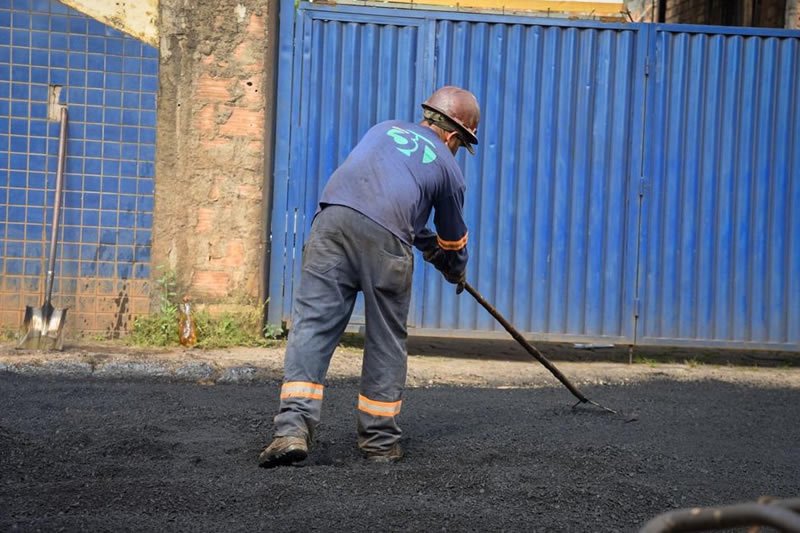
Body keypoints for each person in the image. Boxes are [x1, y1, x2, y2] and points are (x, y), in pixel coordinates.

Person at [258, 86, 481, 467]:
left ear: (429, 117)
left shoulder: (383, 129)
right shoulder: (447, 166)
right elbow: (452, 238)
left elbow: (375, 200)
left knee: (312, 326)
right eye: (461, 143)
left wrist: (424, 243)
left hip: (331, 222)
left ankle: (291, 430)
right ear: (453, 135)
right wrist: (454, 268)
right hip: (384, 243)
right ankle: (379, 442)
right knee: (385, 338)